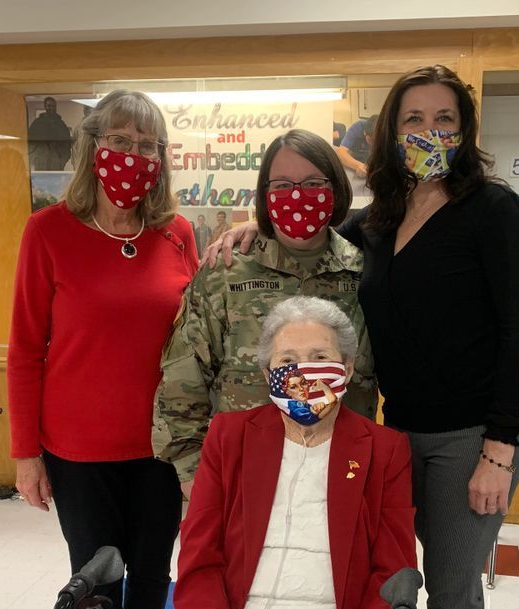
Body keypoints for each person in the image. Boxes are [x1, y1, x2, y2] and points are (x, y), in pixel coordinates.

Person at [206, 64, 519, 609]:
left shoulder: (494, 212)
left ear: (465, 130)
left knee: (452, 591)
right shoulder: (381, 220)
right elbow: (315, 240)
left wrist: (501, 447)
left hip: (471, 438)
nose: (429, 132)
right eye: (413, 119)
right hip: (396, 435)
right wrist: (256, 226)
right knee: (392, 582)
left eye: (444, 119)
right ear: (391, 132)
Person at [147, 297, 417, 609]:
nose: (304, 373)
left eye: (320, 357)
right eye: (288, 361)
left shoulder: (384, 451)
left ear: (347, 368)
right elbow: (199, 566)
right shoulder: (229, 437)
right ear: (267, 371)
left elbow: (392, 580)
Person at [8, 90, 198, 609]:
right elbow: (25, 349)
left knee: (151, 570)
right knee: (98, 576)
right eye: (120, 140)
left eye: (147, 145)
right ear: (91, 146)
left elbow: (196, 333)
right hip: (78, 449)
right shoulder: (49, 232)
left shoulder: (176, 233)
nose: (133, 156)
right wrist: (25, 453)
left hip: (161, 446)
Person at [152, 128, 377, 493]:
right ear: (265, 194)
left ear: (335, 189)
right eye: (283, 185)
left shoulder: (364, 275)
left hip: (342, 477)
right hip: (244, 477)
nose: (297, 195)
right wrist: (194, 476)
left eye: (313, 183)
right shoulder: (226, 273)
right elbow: (183, 378)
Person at [27, 96, 74, 171]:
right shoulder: (37, 123)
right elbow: (30, 142)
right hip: (41, 160)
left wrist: (62, 160)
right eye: (49, 105)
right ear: (45, 106)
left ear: (55, 107)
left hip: (56, 161)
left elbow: (67, 143)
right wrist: (34, 158)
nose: (51, 108)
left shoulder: (60, 124)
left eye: (53, 106)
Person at [336, 115, 377, 179]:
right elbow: (341, 152)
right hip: (354, 159)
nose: (373, 144)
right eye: (371, 140)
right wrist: (358, 165)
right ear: (365, 132)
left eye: (377, 140)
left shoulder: (386, 133)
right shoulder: (358, 126)